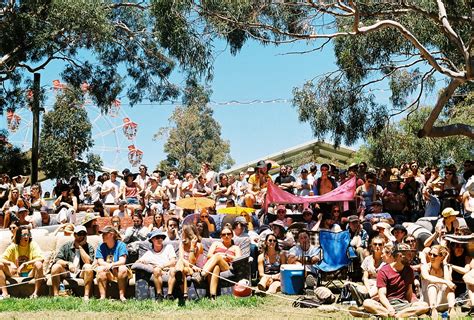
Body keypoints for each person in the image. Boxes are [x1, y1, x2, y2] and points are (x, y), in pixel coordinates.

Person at [361, 243, 429, 318]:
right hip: (387, 304)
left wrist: (412, 305)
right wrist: (389, 308)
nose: (411, 257)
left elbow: (409, 293)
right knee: (367, 303)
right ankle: (401, 315)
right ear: (400, 256)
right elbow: (382, 295)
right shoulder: (384, 271)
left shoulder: (409, 270)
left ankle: (393, 316)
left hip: (403, 305)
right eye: (408, 254)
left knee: (424, 305)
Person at [194, 226, 242, 299]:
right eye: (223, 234)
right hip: (214, 265)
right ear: (220, 236)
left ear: (232, 235)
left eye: (228, 234)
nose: (226, 236)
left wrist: (227, 256)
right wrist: (220, 256)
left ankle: (202, 275)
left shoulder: (235, 247)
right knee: (216, 267)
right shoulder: (216, 244)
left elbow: (239, 259)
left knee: (217, 256)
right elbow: (209, 255)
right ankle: (213, 296)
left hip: (227, 266)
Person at [51, 225, 95, 300]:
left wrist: (80, 247)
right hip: (67, 271)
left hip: (81, 272)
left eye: (83, 234)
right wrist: (68, 264)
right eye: (79, 234)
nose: (81, 236)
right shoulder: (66, 246)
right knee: (55, 267)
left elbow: (88, 262)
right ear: (74, 235)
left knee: (88, 267)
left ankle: (86, 296)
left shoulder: (89, 247)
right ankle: (56, 296)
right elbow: (57, 260)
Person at [0, 227, 44, 298]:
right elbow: (1, 259)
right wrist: (10, 263)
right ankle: (5, 294)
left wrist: (25, 263)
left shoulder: (33, 245)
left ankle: (35, 293)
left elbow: (41, 258)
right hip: (15, 273)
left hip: (30, 273)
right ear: (19, 236)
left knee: (39, 264)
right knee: (0, 265)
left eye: (28, 234)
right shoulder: (13, 247)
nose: (26, 237)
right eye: (24, 235)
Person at [137, 230, 177, 301]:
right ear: (152, 240)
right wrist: (144, 263)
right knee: (156, 270)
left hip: (169, 270)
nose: (160, 239)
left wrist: (161, 266)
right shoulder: (149, 253)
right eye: (157, 237)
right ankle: (159, 295)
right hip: (159, 272)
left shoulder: (168, 247)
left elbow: (173, 261)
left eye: (161, 237)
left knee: (173, 270)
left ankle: (169, 295)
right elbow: (137, 262)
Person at [167, 225, 205, 300]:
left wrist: (192, 246)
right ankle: (184, 295)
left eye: (183, 232)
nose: (181, 234)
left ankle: (171, 294)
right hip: (183, 267)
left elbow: (192, 262)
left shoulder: (198, 246)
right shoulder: (182, 244)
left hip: (195, 268)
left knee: (179, 267)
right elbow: (181, 258)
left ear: (188, 234)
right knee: (179, 269)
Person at [421, 245, 456, 318]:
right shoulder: (425, 266)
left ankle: (452, 308)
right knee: (432, 286)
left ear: (442, 257)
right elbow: (427, 277)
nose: (431, 257)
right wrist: (445, 282)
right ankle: (433, 310)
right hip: (429, 302)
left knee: (449, 287)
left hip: (444, 301)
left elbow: (449, 281)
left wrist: (445, 263)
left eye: (435, 255)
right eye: (430, 254)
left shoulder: (447, 267)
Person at [95, 226, 129, 301]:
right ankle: (102, 297)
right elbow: (100, 261)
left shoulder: (121, 245)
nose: (102, 236)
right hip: (107, 272)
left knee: (123, 268)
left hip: (118, 272)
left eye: (104, 234)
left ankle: (122, 296)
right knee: (100, 269)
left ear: (111, 234)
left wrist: (111, 265)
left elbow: (122, 261)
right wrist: (107, 266)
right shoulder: (101, 247)